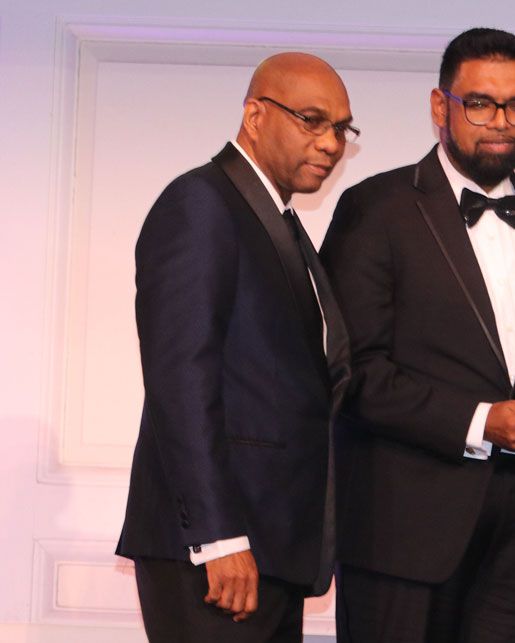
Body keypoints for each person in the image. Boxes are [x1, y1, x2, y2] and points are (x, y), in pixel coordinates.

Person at [319, 27, 515, 643]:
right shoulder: (375, 208)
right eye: (479, 102)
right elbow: (354, 372)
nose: (500, 121)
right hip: (400, 538)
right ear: (439, 107)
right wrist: (480, 421)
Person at [115, 52, 355, 642]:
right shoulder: (201, 204)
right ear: (254, 114)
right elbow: (180, 382)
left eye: (342, 129)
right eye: (311, 120)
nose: (329, 143)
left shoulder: (276, 220)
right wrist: (217, 537)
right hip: (217, 553)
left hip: (272, 549)